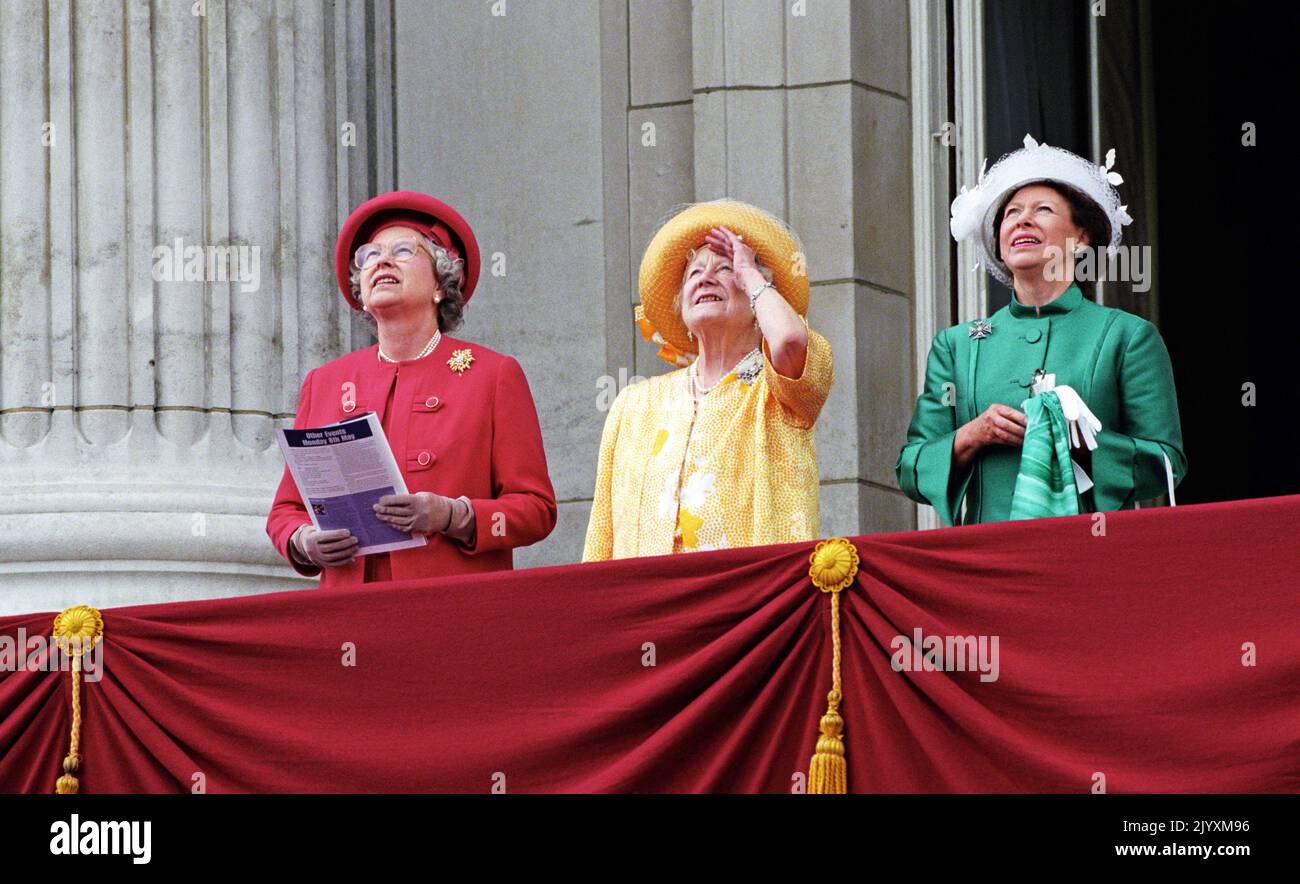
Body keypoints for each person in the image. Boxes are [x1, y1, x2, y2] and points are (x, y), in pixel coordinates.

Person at [266, 191, 557, 585]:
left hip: (451, 610)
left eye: (404, 250)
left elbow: (537, 511)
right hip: (348, 614)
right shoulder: (326, 382)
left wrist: (453, 515)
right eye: (369, 255)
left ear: (441, 282)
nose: (381, 260)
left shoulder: (492, 375)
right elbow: (286, 510)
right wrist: (304, 541)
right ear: (363, 296)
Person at [896, 135, 1186, 525]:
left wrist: (1078, 440)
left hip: (1088, 556)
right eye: (1011, 213)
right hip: (985, 558)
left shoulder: (1127, 336)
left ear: (1082, 238)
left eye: (1043, 209)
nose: (1022, 220)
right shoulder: (957, 345)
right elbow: (912, 466)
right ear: (999, 244)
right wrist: (974, 434)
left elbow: (1166, 462)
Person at [583, 200, 834, 560]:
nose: (705, 277)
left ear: (757, 297)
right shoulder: (633, 406)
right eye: (694, 273)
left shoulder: (776, 387)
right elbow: (600, 540)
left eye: (725, 268)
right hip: (648, 608)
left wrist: (750, 274)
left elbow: (791, 341)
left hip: (752, 603)